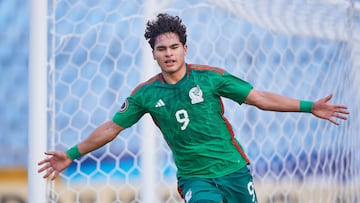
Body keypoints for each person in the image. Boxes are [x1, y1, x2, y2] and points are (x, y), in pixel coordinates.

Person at [38, 13, 349, 203]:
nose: (169, 53)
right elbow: (112, 128)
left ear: (185, 49)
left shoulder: (211, 78)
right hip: (195, 179)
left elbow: (260, 98)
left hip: (234, 171)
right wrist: (73, 153)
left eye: (174, 47)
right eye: (162, 49)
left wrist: (309, 107)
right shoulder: (145, 94)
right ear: (154, 54)